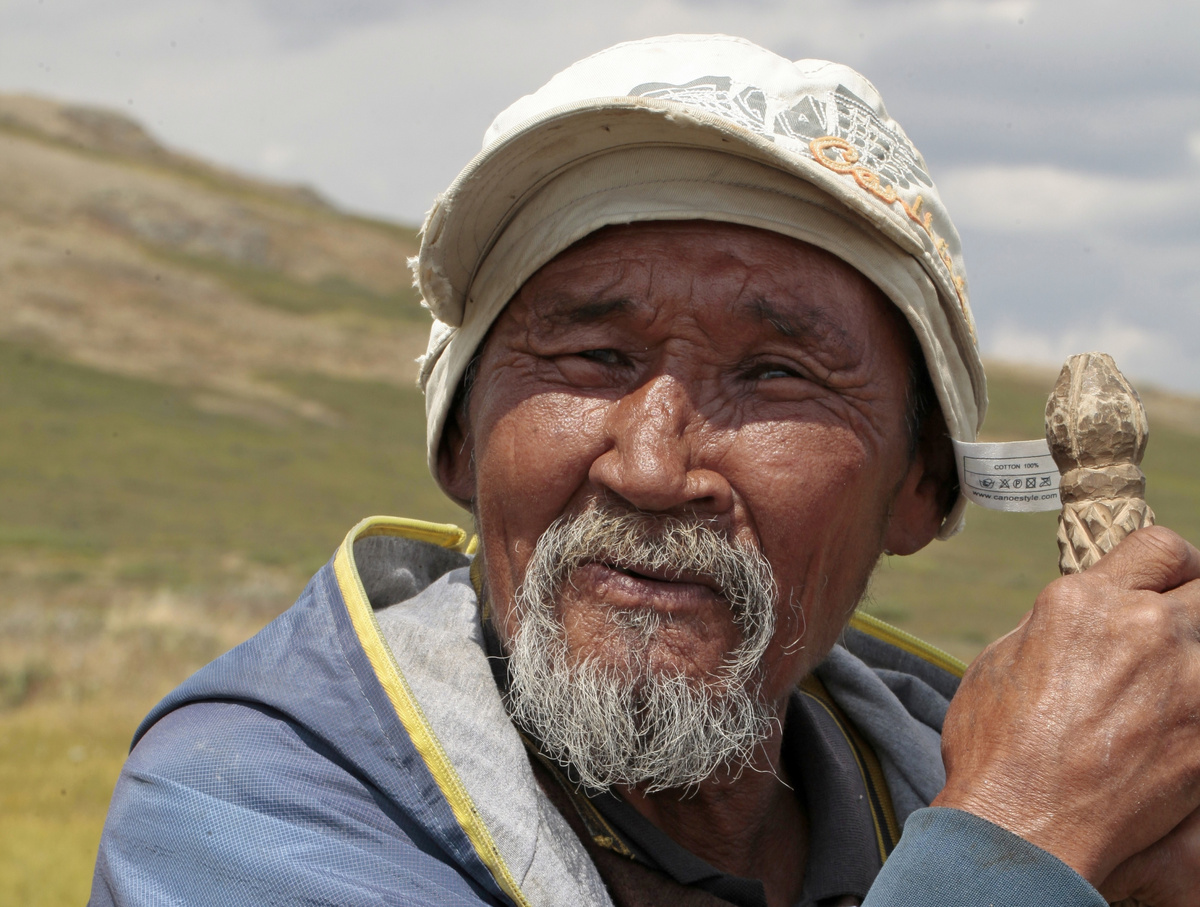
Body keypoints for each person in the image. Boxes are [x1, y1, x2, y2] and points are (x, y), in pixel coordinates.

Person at [90, 35, 1200, 907]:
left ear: (920, 490)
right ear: (458, 441)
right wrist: (1018, 846)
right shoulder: (251, 810)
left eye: (773, 375)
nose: (653, 465)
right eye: (591, 356)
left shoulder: (932, 761)